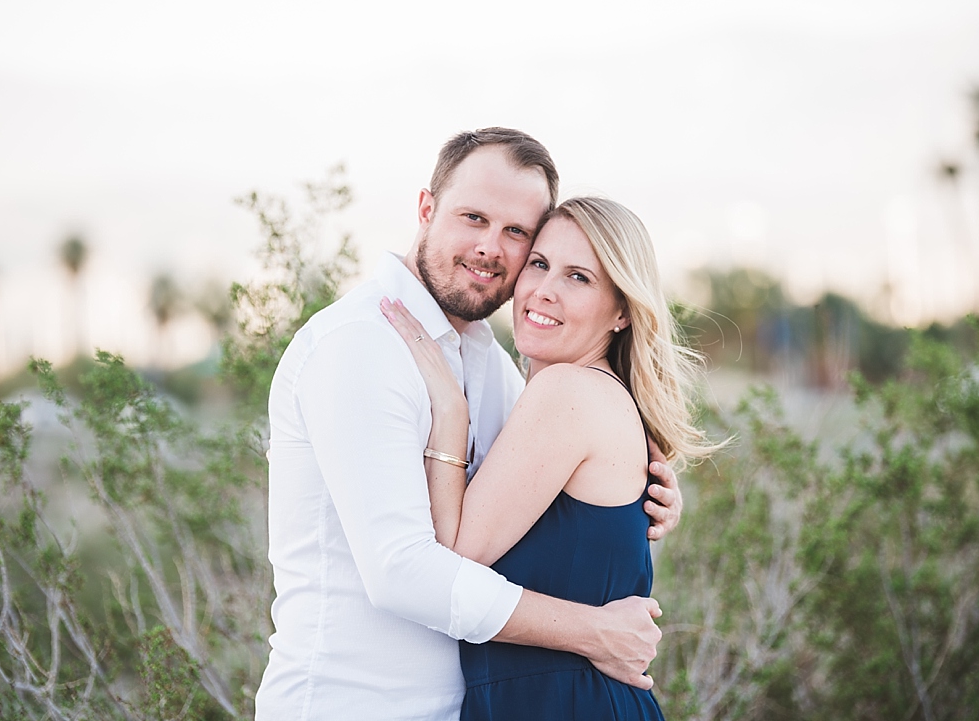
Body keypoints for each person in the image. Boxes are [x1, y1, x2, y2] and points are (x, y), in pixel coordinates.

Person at [255, 129, 684, 720]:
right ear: (426, 209)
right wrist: (591, 631)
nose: (491, 247)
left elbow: (563, 489)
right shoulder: (360, 344)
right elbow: (403, 571)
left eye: (515, 233)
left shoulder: (495, 367)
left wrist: (649, 495)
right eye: (473, 217)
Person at [380, 196, 711, 720]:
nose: (544, 290)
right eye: (539, 264)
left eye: (578, 277)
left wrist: (450, 410)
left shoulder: (566, 392)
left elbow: (455, 557)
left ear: (622, 310)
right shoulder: (569, 394)